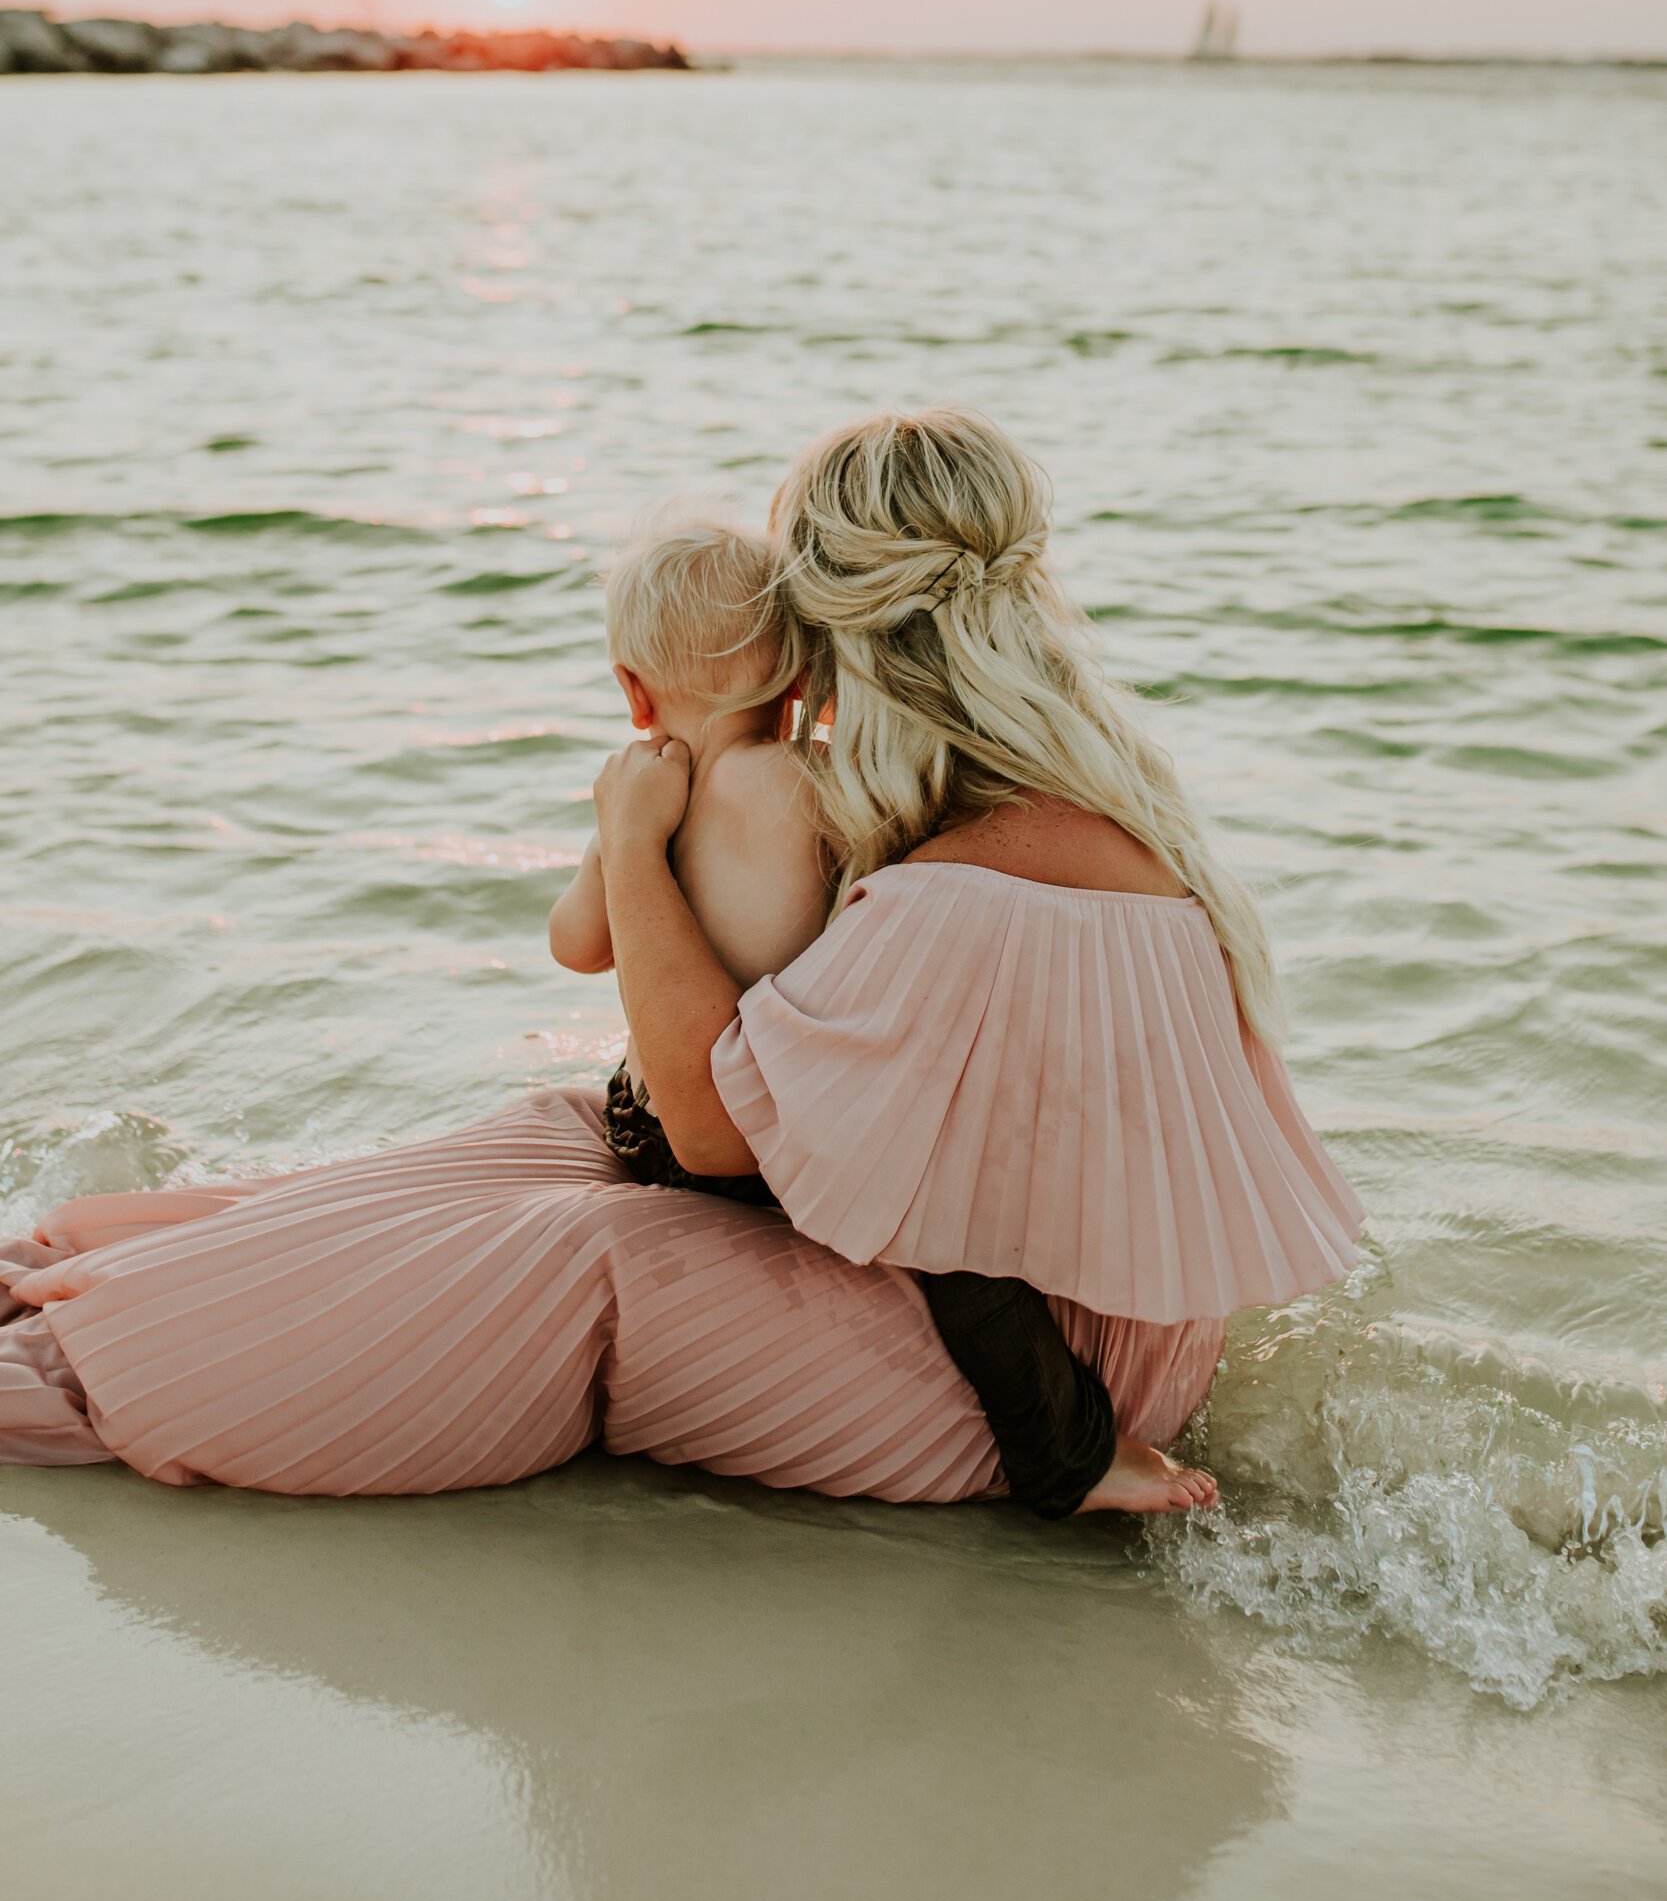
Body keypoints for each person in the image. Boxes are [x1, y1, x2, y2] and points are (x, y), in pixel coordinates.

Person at [0, 410, 1362, 1514]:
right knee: (559, 1132)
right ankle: (90, 1275)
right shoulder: (1082, 803)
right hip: (1076, 1308)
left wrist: (627, 837)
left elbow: (712, 1136)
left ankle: (97, 1366)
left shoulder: (964, 883)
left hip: (1040, 1388)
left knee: (597, 1242)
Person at [552, 515, 1171, 1518]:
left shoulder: (644, 796)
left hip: (656, 1130)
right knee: (955, 1237)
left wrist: (623, 841)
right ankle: (1067, 1453)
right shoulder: (830, 785)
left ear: (632, 690)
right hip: (797, 1129)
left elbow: (576, 944)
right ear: (805, 674)